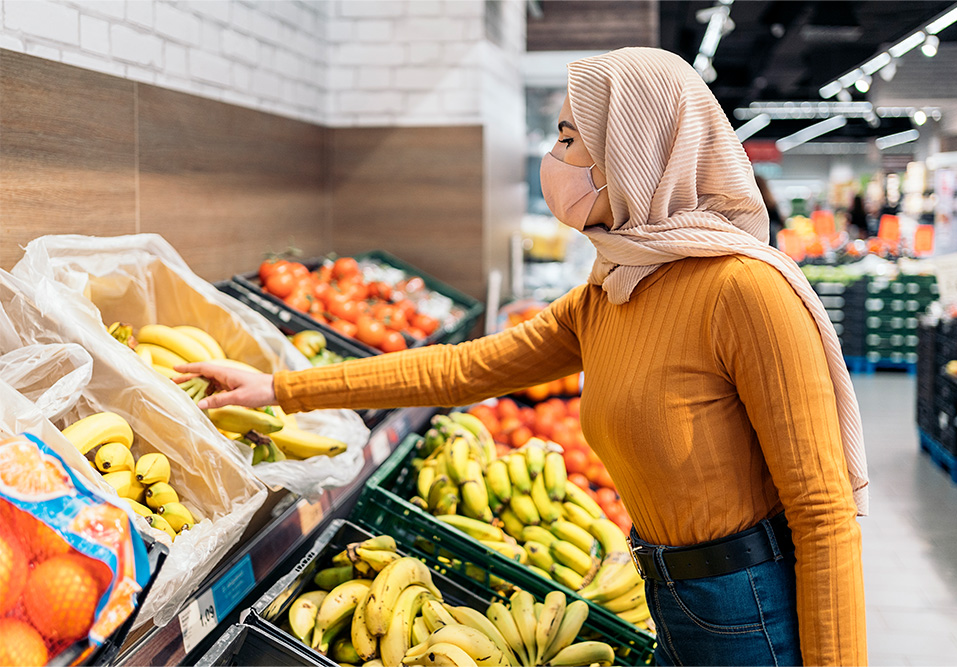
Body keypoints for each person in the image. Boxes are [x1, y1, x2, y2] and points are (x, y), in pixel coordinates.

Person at [178, 48, 869, 667]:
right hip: (672, 598)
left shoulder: (747, 291)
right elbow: (459, 369)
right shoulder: (615, 288)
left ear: (628, 152)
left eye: (570, 138)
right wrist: (279, 388)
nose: (554, 156)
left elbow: (823, 513)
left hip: (749, 614)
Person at [755, 174, 785, 248]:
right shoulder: (771, 204)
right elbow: (781, 223)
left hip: (756, 244)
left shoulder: (751, 205)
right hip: (770, 244)